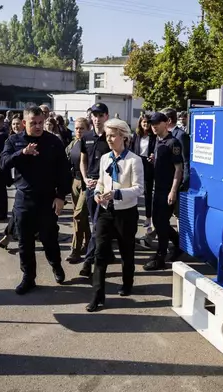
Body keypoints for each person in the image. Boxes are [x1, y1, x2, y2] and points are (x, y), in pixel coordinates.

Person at [0, 105, 72, 295]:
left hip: (47, 199)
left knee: (49, 238)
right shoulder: (14, 141)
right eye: (34, 123)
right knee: (25, 242)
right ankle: (28, 277)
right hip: (24, 199)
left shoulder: (53, 141)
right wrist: (21, 153)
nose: (38, 126)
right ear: (24, 123)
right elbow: (3, 163)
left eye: (41, 123)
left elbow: (64, 171)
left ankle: (56, 266)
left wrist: (60, 196)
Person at [87, 118, 143, 312]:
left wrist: (118, 193)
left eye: (112, 135)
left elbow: (139, 189)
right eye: (107, 135)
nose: (109, 139)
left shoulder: (134, 160)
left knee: (126, 252)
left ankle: (127, 283)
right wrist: (96, 194)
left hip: (126, 213)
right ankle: (97, 296)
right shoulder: (105, 158)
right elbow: (101, 182)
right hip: (105, 212)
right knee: (100, 253)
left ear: (123, 136)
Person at [143, 112, 183, 271]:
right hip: (157, 188)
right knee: (160, 223)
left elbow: (178, 169)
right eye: (152, 124)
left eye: (156, 123)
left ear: (165, 123)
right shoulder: (158, 142)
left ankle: (161, 257)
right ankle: (179, 244)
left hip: (167, 190)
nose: (153, 126)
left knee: (161, 223)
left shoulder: (173, 143)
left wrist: (173, 191)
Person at [78, 102, 111, 277]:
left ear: (106, 116)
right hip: (90, 186)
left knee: (98, 224)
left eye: (100, 115)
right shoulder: (86, 137)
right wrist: (85, 179)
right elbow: (82, 160)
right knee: (95, 223)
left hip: (105, 188)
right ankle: (105, 254)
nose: (97, 119)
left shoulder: (112, 136)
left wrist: (103, 182)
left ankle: (88, 261)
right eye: (94, 115)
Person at [65, 117, 91, 263]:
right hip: (75, 182)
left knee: (78, 216)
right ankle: (88, 244)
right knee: (82, 217)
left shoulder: (90, 143)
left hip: (87, 183)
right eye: (76, 128)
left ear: (88, 129)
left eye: (82, 128)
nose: (79, 131)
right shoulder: (73, 144)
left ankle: (75, 250)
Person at [0, 114, 24, 250]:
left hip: (29, 183)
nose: (15, 127)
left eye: (18, 124)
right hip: (17, 180)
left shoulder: (30, 140)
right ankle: (9, 236)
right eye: (13, 124)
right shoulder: (11, 140)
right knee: (17, 211)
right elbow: (1, 158)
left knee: (17, 211)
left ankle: (8, 236)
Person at [130, 114, 156, 230]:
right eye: (144, 122)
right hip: (137, 162)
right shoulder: (136, 135)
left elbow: (156, 148)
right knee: (133, 190)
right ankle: (133, 217)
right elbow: (131, 149)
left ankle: (148, 217)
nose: (146, 124)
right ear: (140, 123)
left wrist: (153, 156)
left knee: (147, 192)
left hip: (148, 164)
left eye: (148, 122)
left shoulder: (153, 136)